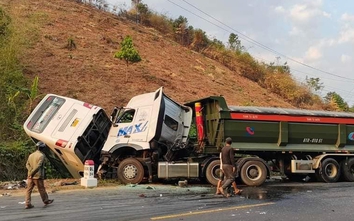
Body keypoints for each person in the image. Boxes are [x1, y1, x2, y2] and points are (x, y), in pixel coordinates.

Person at [25, 141, 54, 209]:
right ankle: (46, 200)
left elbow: (27, 164)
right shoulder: (42, 155)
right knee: (41, 189)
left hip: (30, 176)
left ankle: (27, 203)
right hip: (38, 176)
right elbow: (38, 166)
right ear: (43, 148)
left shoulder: (31, 155)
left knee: (28, 190)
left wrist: (30, 172)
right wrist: (33, 173)